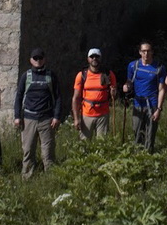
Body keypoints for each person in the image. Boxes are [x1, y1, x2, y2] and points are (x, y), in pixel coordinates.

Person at [14, 48, 62, 178]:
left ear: (44, 59)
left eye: (40, 58)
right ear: (31, 60)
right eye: (35, 58)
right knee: (28, 150)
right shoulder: (26, 76)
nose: (38, 61)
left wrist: (56, 117)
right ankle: (27, 178)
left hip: (47, 119)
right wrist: (17, 116)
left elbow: (58, 97)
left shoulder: (51, 75)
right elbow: (18, 96)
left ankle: (50, 178)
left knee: (48, 152)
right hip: (29, 119)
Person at [121, 42, 166, 151]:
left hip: (152, 104)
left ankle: (148, 156)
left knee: (150, 134)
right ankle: (138, 157)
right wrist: (126, 87)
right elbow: (129, 81)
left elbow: (162, 89)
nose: (146, 54)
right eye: (144, 51)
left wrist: (159, 109)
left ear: (152, 52)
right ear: (140, 52)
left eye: (148, 51)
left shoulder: (159, 67)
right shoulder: (133, 66)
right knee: (137, 132)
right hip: (137, 104)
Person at [72, 48, 117, 140]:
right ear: (88, 59)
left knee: (102, 144)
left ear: (100, 58)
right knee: (84, 145)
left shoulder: (108, 74)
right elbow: (76, 98)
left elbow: (114, 95)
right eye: (92, 57)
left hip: (103, 114)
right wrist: (76, 119)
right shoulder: (81, 75)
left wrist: (114, 93)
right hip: (86, 114)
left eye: (97, 56)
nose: (94, 59)